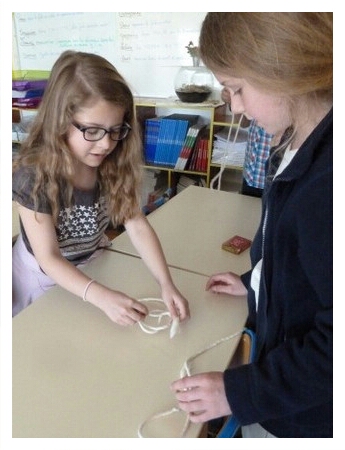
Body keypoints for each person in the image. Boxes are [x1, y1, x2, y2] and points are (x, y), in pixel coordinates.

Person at [171, 12, 332, 438]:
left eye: (238, 88)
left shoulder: (329, 183)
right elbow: (303, 257)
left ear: (282, 68)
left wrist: (238, 393)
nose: (235, 106)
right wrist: (257, 278)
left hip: (309, 415)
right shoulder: (298, 138)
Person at [12, 50, 190, 327]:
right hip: (42, 277)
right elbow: (48, 257)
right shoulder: (33, 175)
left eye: (116, 130)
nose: (107, 144)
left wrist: (166, 283)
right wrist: (102, 297)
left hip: (90, 265)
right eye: (92, 131)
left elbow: (137, 225)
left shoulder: (111, 163)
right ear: (60, 122)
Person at [221, 87, 273, 197]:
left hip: (272, 179)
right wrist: (233, 100)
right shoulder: (252, 84)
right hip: (251, 173)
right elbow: (244, 123)